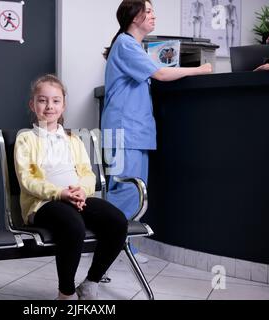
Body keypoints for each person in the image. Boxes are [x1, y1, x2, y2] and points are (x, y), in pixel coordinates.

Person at [101, 0, 212, 264]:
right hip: (123, 132)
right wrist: (201, 69)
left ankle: (121, 247)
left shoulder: (130, 46)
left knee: (132, 190)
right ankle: (113, 248)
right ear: (134, 16)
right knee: (125, 190)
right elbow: (161, 74)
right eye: (148, 11)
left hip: (131, 131)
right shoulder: (126, 44)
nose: (153, 16)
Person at [14, 74, 128, 300]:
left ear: (63, 105)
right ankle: (65, 293)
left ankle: (91, 282)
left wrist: (80, 192)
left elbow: (86, 173)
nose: (49, 106)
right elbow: (27, 180)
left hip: (76, 198)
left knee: (117, 221)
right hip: (44, 204)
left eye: (56, 101)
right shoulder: (26, 139)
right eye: (42, 100)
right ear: (32, 104)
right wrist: (60, 193)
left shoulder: (73, 140)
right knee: (73, 225)